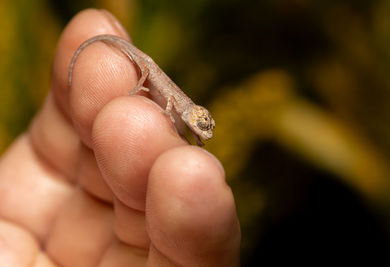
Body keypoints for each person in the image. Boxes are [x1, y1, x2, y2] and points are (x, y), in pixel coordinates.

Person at [0, 9, 241, 267]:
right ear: (195, 115)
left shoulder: (190, 111)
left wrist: (194, 134)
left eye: (203, 127)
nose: (202, 130)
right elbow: (169, 100)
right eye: (202, 125)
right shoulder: (182, 105)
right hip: (148, 69)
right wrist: (147, 96)